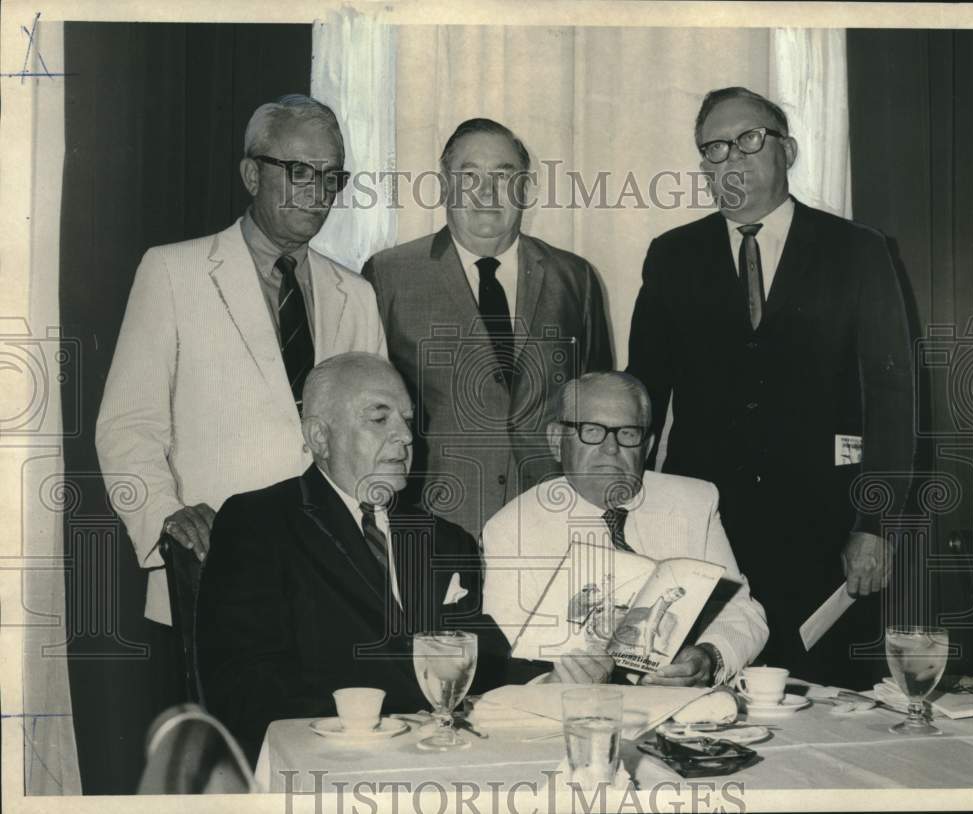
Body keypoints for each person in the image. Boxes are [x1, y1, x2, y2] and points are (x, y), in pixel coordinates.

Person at [627, 87, 914, 688]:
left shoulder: (859, 252)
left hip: (826, 530)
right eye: (714, 148)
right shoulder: (672, 256)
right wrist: (630, 513)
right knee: (704, 698)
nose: (731, 157)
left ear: (788, 148)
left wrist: (874, 525)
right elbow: (643, 399)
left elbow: (893, 401)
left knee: (829, 702)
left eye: (749, 139)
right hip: (708, 530)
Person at [96, 95, 385, 625]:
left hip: (337, 582)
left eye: (330, 177)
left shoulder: (357, 294)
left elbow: (377, 437)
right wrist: (167, 518)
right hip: (214, 569)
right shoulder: (171, 273)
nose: (317, 193)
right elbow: (127, 426)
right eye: (298, 170)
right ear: (252, 174)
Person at [195, 354, 510, 760]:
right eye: (379, 419)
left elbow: (481, 657)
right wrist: (397, 710)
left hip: (439, 763)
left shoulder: (446, 541)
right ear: (320, 437)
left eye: (407, 420)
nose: (406, 437)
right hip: (326, 763)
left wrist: (548, 681)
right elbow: (245, 687)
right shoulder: (258, 524)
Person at [362, 118, 612, 539]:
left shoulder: (575, 279)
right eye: (469, 175)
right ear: (444, 185)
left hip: (551, 522)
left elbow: (597, 409)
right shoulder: (389, 276)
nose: (487, 192)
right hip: (431, 525)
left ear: (526, 187)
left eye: (503, 175)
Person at [482, 372, 768, 687]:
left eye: (628, 433)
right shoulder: (512, 529)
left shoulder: (695, 502)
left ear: (648, 446)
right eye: (591, 431)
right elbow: (506, 664)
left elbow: (743, 613)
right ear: (555, 441)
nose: (611, 448)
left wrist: (708, 657)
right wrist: (554, 682)